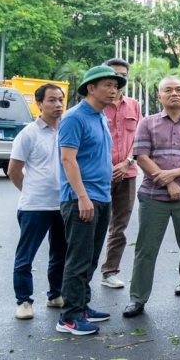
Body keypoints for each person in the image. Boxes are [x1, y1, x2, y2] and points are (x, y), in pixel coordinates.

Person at [122, 77, 180, 318]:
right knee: (146, 249)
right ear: (159, 97)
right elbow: (141, 156)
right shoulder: (147, 124)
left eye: (179, 90)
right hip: (153, 197)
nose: (174, 93)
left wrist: (175, 174)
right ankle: (137, 298)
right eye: (168, 90)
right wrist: (170, 182)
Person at [57, 65, 123, 336]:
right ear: (90, 88)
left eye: (116, 85)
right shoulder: (74, 117)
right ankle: (69, 317)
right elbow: (67, 159)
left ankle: (82, 306)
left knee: (91, 258)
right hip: (81, 199)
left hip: (101, 196)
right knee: (78, 258)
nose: (113, 90)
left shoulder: (101, 117)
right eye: (107, 84)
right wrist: (82, 197)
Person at [7, 83, 67, 320]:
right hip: (35, 206)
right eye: (51, 100)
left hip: (63, 203)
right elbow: (14, 171)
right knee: (26, 256)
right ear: (39, 103)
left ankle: (55, 295)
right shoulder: (28, 133)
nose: (58, 105)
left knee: (60, 253)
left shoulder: (67, 130)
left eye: (61, 100)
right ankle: (23, 301)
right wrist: (30, 191)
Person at [99, 57, 142, 290]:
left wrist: (127, 162)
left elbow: (140, 137)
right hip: (98, 176)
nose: (119, 79)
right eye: (114, 74)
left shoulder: (134, 105)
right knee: (92, 224)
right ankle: (81, 273)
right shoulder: (94, 105)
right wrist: (106, 168)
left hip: (128, 173)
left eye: (123, 75)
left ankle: (109, 271)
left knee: (119, 226)